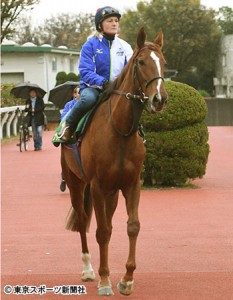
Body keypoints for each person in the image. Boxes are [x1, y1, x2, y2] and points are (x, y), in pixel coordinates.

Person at [58, 6, 133, 142]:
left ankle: (142, 134)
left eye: (116, 20)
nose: (114, 23)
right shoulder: (90, 45)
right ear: (100, 25)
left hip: (118, 89)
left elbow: (131, 70)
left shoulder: (125, 46)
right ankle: (68, 125)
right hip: (94, 88)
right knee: (88, 100)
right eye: (109, 20)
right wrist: (103, 83)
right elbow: (86, 72)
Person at [60, 86, 80, 192]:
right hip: (71, 129)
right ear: (74, 94)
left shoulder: (87, 104)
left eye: (81, 92)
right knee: (64, 140)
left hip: (80, 129)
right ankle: (64, 175)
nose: (79, 94)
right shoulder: (69, 105)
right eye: (78, 93)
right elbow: (63, 118)